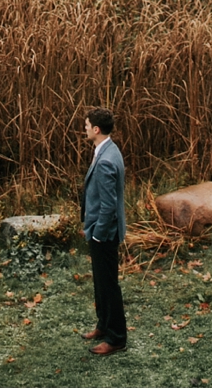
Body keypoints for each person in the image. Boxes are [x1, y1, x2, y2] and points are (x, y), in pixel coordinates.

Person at [79, 107, 127, 355]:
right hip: (100, 230)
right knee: (100, 283)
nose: (85, 128)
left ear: (96, 129)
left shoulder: (106, 159)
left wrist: (97, 234)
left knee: (108, 285)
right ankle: (103, 324)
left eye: (87, 125)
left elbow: (108, 206)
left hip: (104, 234)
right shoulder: (108, 148)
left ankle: (117, 337)